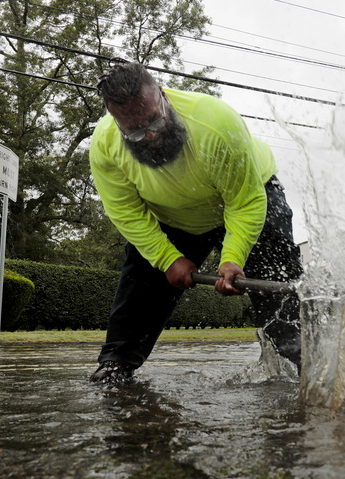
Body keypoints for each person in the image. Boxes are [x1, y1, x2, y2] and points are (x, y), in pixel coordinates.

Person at [88, 61, 303, 383]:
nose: (149, 136)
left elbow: (244, 203)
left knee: (279, 293)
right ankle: (116, 365)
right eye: (133, 130)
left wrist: (232, 257)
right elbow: (127, 212)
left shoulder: (214, 122)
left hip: (249, 198)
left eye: (153, 121)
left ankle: (309, 363)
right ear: (117, 122)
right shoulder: (105, 145)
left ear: (163, 96)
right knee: (141, 283)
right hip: (172, 214)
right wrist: (168, 258)